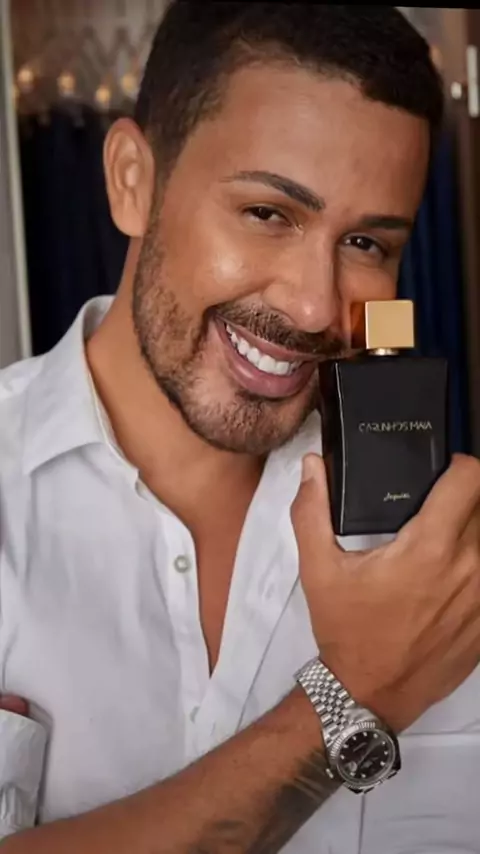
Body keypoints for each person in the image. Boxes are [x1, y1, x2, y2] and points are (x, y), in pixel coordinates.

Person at [1, 3, 479, 852]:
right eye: (268, 213)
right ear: (132, 181)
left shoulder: (435, 549)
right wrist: (354, 693)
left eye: (366, 243)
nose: (315, 305)